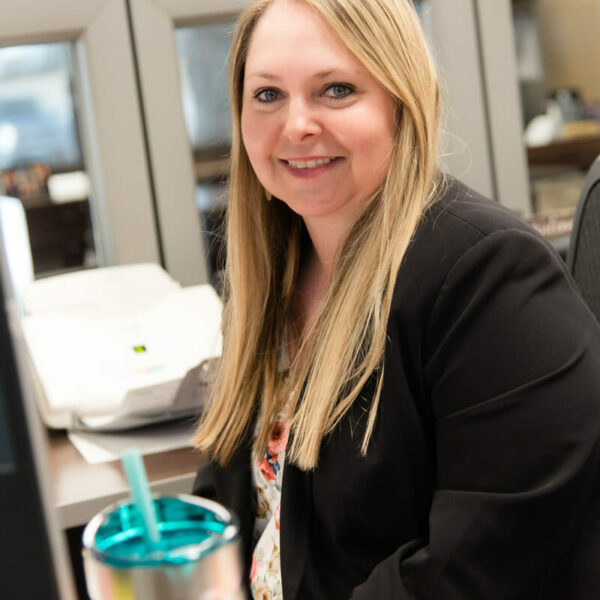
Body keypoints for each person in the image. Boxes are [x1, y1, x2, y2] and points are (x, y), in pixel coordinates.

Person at [192, 0, 600, 598]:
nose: (296, 124)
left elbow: (470, 572)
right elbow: (227, 506)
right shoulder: (269, 278)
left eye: (335, 90)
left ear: (400, 100)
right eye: (268, 95)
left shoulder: (487, 277)